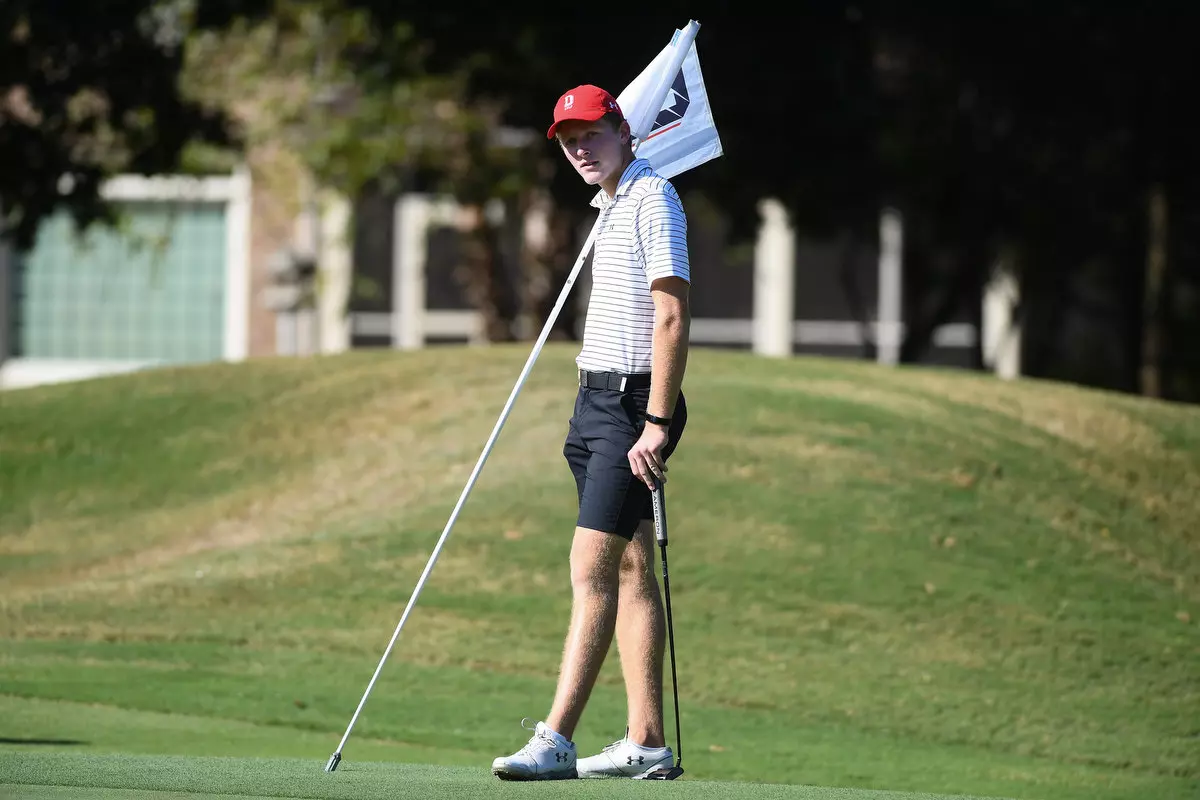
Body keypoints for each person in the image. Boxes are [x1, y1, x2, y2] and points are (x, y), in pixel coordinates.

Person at [490, 84, 691, 781]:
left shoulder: (654, 199)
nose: (579, 148)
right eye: (569, 139)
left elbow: (670, 315)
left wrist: (658, 422)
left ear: (622, 129)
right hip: (593, 404)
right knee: (632, 566)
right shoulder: (609, 205)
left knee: (591, 570)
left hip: (634, 407)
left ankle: (556, 740)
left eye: (591, 134)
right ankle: (646, 742)